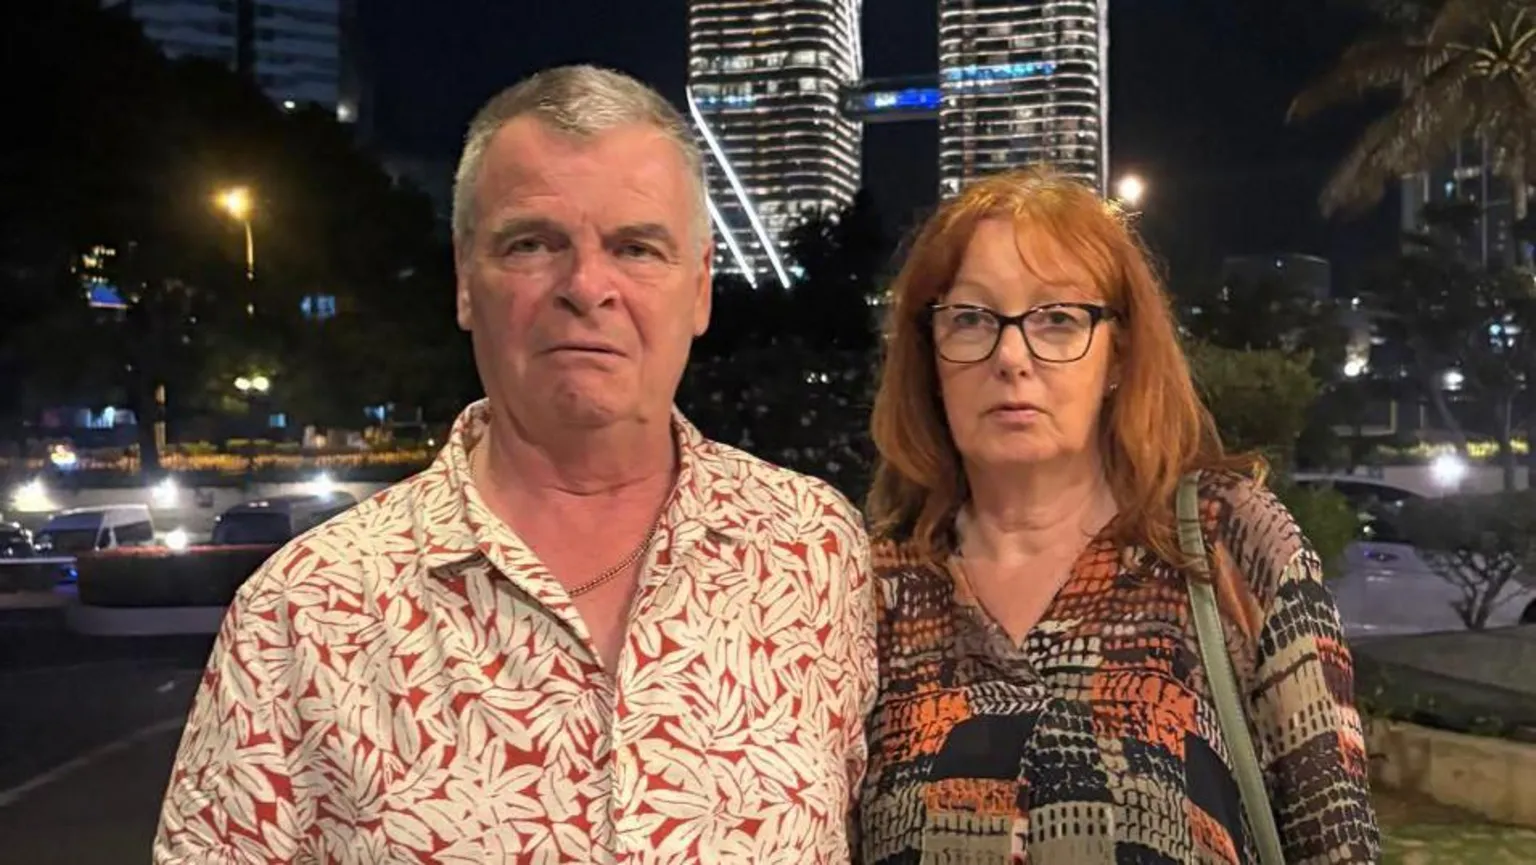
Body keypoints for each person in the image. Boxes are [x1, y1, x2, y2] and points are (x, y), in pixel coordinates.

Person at [154, 65, 876, 863]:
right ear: (466, 280)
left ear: (700, 287)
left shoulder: (816, 555)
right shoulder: (304, 614)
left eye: (637, 247)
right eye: (533, 244)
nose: (586, 286)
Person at [856, 168, 1380, 863]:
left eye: (1058, 318)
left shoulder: (1229, 545)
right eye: (971, 319)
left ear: (1117, 354)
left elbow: (1335, 839)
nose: (1012, 356)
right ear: (928, 352)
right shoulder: (870, 586)